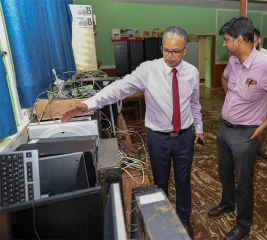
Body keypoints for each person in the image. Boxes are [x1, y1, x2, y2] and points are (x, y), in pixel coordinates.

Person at [61, 26, 204, 239]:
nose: (169, 56)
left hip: (184, 137)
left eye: (175, 51)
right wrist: (88, 104)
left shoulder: (192, 72)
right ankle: (161, 222)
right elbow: (119, 88)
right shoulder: (148, 70)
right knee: (160, 182)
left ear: (184, 51)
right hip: (159, 138)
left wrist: (199, 130)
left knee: (184, 182)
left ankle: (184, 219)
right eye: (166, 50)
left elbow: (194, 104)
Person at [208, 17, 267, 240]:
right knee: (224, 173)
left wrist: (262, 125)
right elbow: (225, 79)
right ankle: (227, 204)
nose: (224, 44)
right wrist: (231, 101)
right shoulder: (233, 61)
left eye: (226, 40)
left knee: (244, 182)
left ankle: (243, 224)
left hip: (247, 134)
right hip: (225, 129)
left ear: (240, 39)